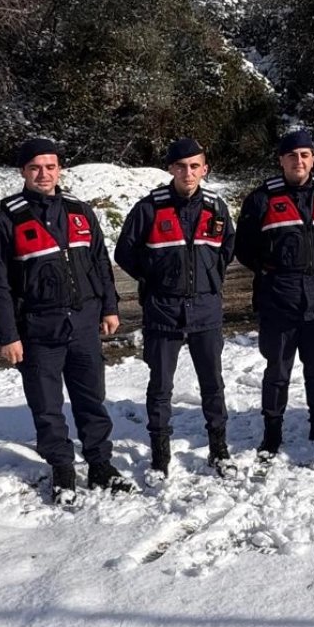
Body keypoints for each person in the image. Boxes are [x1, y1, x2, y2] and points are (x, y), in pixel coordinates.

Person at [0, 138, 131, 502]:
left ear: (59, 169)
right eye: (35, 167)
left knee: (91, 400)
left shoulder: (80, 211)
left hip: (83, 323)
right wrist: (8, 335)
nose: (44, 174)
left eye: (50, 167)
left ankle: (100, 464)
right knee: (47, 406)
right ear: (23, 172)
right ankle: (63, 469)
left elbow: (100, 262)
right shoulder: (8, 219)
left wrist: (110, 307)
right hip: (38, 329)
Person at [114, 138, 236, 477]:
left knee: (213, 384)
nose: (188, 172)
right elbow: (125, 252)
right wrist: (157, 278)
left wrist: (208, 279)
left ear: (204, 169)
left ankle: (219, 449)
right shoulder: (149, 208)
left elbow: (227, 249)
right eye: (181, 166)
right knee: (160, 387)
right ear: (170, 169)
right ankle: (160, 455)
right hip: (163, 311)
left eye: (195, 165)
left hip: (206, 311)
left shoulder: (216, 207)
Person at [235, 130, 314, 462]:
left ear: (313, 158)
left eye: (304, 155)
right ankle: (272, 434)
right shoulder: (262, 199)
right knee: (278, 371)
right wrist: (271, 268)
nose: (298, 161)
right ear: (280, 160)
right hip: (278, 302)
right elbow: (244, 247)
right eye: (291, 156)